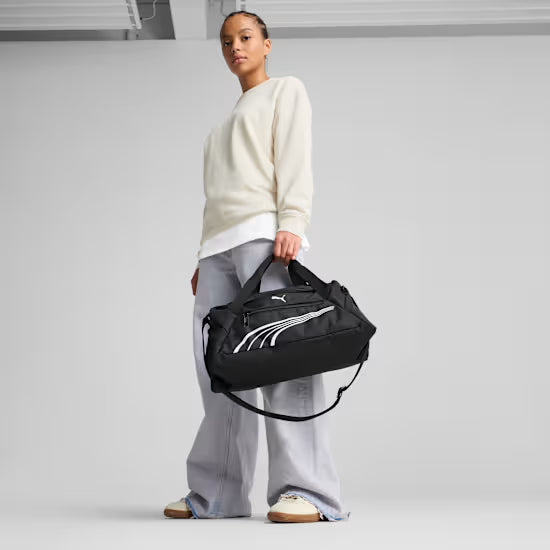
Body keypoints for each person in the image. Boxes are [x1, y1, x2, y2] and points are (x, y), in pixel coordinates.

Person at [163, 9, 350, 523]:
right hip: (218, 251)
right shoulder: (217, 130)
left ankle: (310, 492)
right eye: (226, 41)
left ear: (266, 43)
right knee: (219, 371)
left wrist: (293, 220)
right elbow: (216, 198)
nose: (235, 48)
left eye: (245, 37)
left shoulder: (284, 91)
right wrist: (204, 252)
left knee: (286, 361)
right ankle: (217, 495)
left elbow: (294, 158)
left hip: (265, 240)